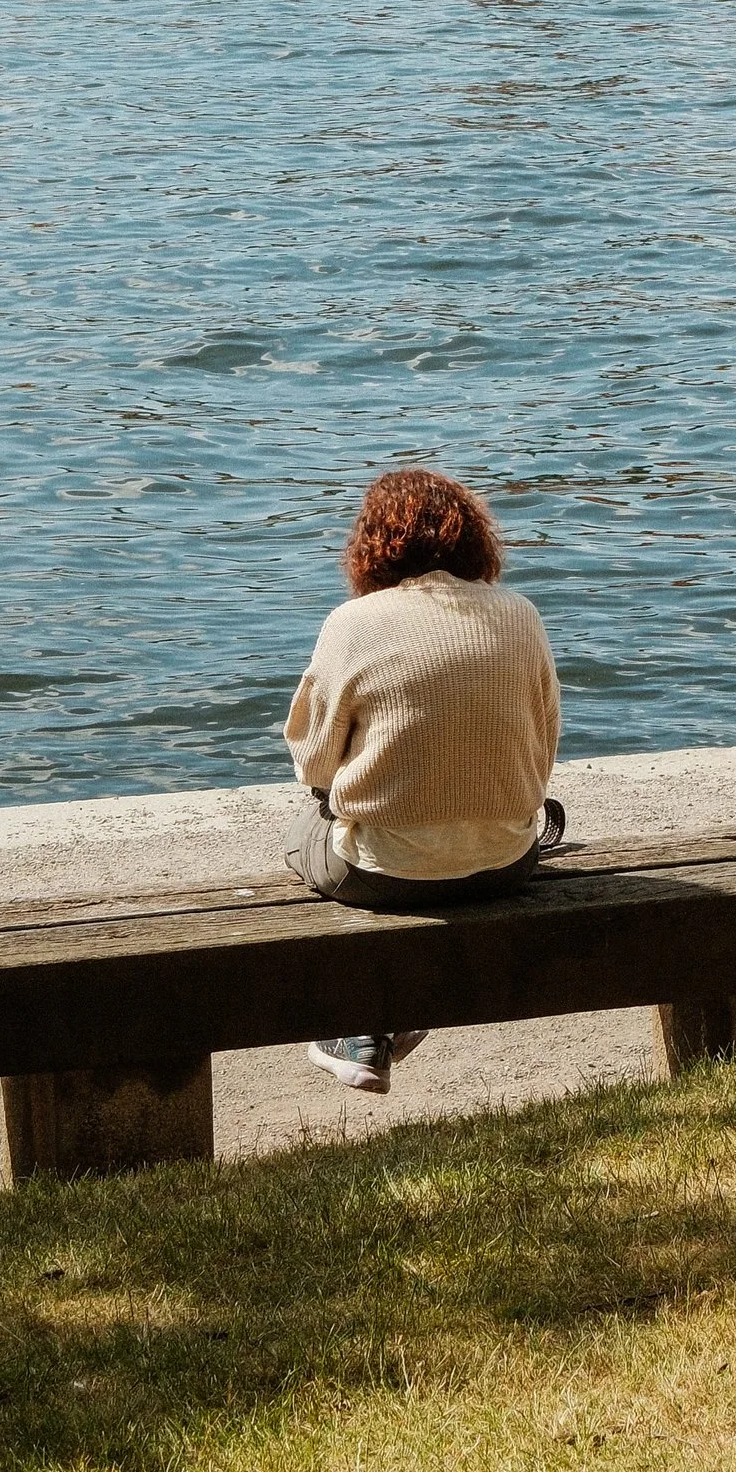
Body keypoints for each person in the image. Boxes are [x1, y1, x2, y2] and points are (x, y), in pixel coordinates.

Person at [284, 465, 564, 1095]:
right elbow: (543, 745)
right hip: (504, 862)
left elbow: (313, 761)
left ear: (369, 547)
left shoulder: (352, 624)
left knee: (304, 832)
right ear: (475, 542)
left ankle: (353, 1031)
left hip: (382, 877)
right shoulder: (519, 614)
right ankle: (393, 1020)